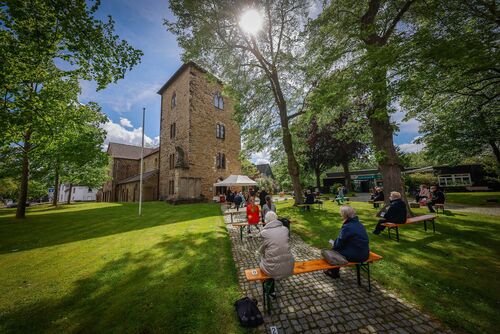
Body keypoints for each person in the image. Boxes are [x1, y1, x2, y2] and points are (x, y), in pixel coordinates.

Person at [324, 205, 369, 279]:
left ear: (345, 215)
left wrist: (334, 244)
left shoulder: (347, 227)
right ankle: (333, 272)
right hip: (364, 253)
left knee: (334, 250)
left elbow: (339, 242)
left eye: (341, 213)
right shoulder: (359, 224)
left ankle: (333, 272)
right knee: (337, 248)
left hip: (356, 256)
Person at [259, 211, 295, 294]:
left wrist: (260, 251)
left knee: (262, 259)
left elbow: (263, 246)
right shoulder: (285, 229)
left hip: (272, 270)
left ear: (266, 220)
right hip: (289, 267)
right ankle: (272, 287)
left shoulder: (264, 233)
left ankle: (269, 290)